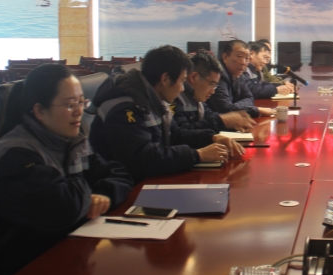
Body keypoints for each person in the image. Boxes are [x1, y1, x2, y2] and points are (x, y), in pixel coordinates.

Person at [0, 64, 133, 275]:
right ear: (40, 111)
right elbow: (64, 208)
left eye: (82, 102)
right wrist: (85, 195)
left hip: (62, 253)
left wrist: (102, 196)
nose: (79, 111)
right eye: (70, 105)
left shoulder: (71, 142)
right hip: (15, 274)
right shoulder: (15, 153)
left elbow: (120, 174)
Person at [89, 45, 243, 184]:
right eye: (182, 81)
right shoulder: (125, 107)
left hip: (149, 180)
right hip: (128, 188)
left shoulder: (152, 98)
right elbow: (143, 159)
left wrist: (211, 138)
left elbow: (175, 134)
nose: (183, 89)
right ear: (165, 79)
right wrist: (197, 155)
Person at [173, 50, 257, 132]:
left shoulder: (197, 97)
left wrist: (232, 123)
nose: (212, 92)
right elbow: (182, 132)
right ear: (194, 77)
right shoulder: (175, 98)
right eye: (212, 84)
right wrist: (222, 121)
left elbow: (209, 115)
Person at [207, 40, 276, 118]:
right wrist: (256, 110)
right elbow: (225, 109)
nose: (243, 63)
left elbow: (249, 97)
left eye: (247, 58)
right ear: (225, 57)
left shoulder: (238, 74)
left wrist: (235, 106)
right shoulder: (217, 75)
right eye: (239, 57)